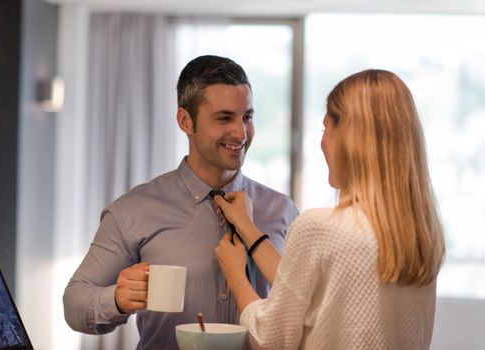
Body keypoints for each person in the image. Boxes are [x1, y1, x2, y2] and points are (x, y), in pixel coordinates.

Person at [62, 55, 299, 349]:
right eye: (224, 118)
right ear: (185, 121)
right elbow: (74, 303)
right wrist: (116, 299)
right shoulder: (133, 210)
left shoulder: (283, 211)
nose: (240, 133)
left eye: (247, 117)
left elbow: (303, 309)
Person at [214, 69, 445, 350]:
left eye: (326, 129)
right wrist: (249, 231)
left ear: (349, 137)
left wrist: (235, 275)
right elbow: (308, 293)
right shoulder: (419, 238)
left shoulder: (320, 228)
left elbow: (270, 338)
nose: (323, 142)